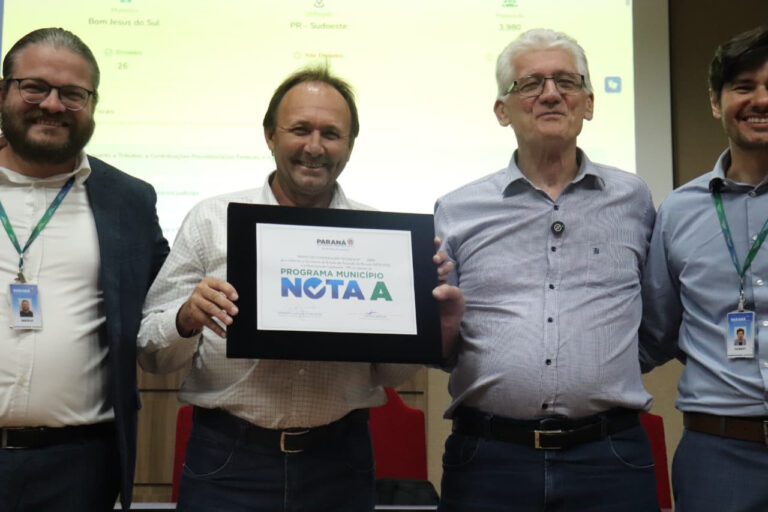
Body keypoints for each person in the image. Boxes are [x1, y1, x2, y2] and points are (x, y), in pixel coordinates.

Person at [138, 66, 463, 512]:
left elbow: (389, 374)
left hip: (339, 462)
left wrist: (420, 313)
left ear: (350, 146)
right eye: (300, 129)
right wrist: (185, 319)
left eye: (331, 133)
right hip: (228, 460)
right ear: (270, 135)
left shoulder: (380, 240)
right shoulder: (210, 220)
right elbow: (152, 355)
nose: (314, 146)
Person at [433, 28, 659, 511]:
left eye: (566, 81)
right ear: (502, 110)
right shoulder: (457, 209)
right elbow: (442, 347)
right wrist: (446, 329)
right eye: (531, 84)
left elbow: (656, 322)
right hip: (489, 458)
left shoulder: (634, 199)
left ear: (588, 103)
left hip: (609, 457)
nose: (551, 94)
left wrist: (602, 368)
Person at [0, 28, 169, 511]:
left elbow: (164, 306)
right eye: (35, 87)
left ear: (92, 105)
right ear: (3, 92)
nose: (53, 105)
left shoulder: (129, 201)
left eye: (73, 94)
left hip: (78, 469)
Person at [640, 26, 768, 512]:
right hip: (719, 452)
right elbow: (658, 332)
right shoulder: (678, 211)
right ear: (716, 103)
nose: (760, 100)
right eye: (743, 86)